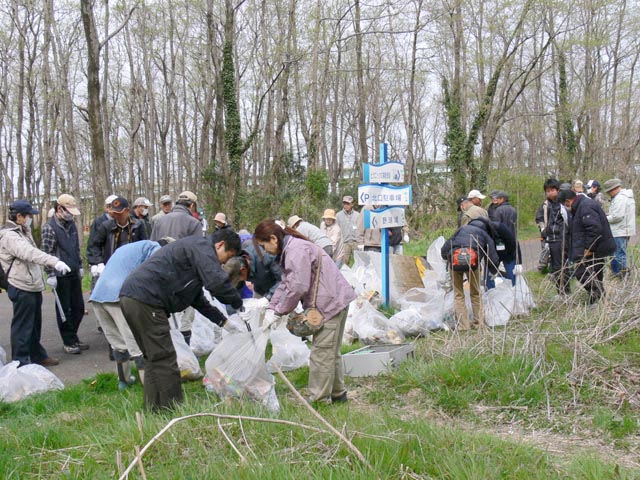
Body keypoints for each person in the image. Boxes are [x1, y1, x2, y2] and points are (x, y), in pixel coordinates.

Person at [120, 228, 243, 410]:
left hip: (133, 298)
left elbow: (197, 299)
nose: (223, 262)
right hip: (146, 300)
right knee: (165, 358)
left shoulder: (193, 255)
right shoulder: (202, 247)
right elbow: (216, 283)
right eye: (227, 256)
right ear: (220, 245)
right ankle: (172, 410)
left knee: (154, 359)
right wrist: (237, 302)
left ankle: (154, 411)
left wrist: (224, 322)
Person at [253, 220, 356, 404]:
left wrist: (279, 312)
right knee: (330, 352)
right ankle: (338, 393)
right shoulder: (291, 249)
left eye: (264, 246)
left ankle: (319, 399)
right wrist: (272, 307)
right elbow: (286, 283)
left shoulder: (295, 251)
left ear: (274, 239)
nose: (265, 251)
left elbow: (297, 286)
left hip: (329, 303)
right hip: (335, 298)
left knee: (321, 353)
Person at [0, 200, 72, 366]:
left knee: (34, 325)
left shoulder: (23, 231)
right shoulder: (10, 235)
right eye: (29, 216)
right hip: (20, 285)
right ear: (19, 216)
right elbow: (29, 253)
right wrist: (54, 261)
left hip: (31, 284)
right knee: (23, 326)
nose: (31, 219)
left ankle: (37, 355)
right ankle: (21, 362)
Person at [89, 240, 168, 389]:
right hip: (119, 296)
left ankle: (124, 381)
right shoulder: (154, 248)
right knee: (137, 342)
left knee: (118, 343)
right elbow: (154, 272)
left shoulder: (128, 248)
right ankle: (149, 387)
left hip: (98, 295)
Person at [41, 194, 87, 355]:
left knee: (79, 308)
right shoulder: (49, 228)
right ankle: (69, 341)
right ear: (59, 208)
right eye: (68, 211)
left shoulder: (72, 224)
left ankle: (73, 336)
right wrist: (50, 274)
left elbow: (75, 248)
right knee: (64, 311)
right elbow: (46, 252)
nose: (70, 215)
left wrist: (80, 265)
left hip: (73, 271)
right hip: (59, 276)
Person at [558, 189, 616, 304]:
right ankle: (595, 299)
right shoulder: (581, 205)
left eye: (565, 205)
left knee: (582, 273)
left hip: (596, 249)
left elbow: (594, 229)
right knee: (595, 274)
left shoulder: (585, 206)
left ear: (568, 201)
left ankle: (599, 295)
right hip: (594, 248)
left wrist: (589, 248)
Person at [441, 218, 500, 330]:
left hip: (455, 262)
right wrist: (494, 271)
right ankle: (479, 323)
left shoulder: (461, 229)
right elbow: (492, 256)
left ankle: (464, 325)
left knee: (458, 294)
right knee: (475, 293)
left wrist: (446, 258)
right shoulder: (485, 235)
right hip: (473, 264)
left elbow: (446, 247)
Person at [87, 196, 148, 272]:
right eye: (114, 213)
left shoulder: (138, 225)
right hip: (111, 266)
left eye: (119, 213)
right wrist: (98, 262)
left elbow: (144, 246)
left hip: (132, 266)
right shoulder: (106, 226)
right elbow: (94, 245)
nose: (116, 216)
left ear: (127, 211)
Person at [535, 179, 571, 297]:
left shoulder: (563, 204)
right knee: (555, 266)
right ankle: (561, 291)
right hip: (549, 238)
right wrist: (543, 229)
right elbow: (539, 219)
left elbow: (567, 221)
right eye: (548, 191)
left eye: (552, 190)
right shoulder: (545, 205)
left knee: (562, 265)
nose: (550, 193)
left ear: (558, 190)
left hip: (562, 239)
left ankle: (564, 291)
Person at [603, 178, 636, 278]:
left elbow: (617, 217)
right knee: (619, 254)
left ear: (614, 189)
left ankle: (621, 276)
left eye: (609, 191)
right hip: (623, 229)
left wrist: (603, 218)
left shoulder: (620, 198)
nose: (609, 194)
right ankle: (619, 275)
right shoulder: (625, 197)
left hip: (619, 230)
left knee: (619, 255)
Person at [335, 195, 360, 264]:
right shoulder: (338, 215)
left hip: (356, 242)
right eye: (344, 203)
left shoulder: (357, 215)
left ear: (352, 204)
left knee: (359, 262)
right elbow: (337, 230)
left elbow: (360, 228)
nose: (346, 205)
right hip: (344, 243)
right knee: (344, 263)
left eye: (348, 204)